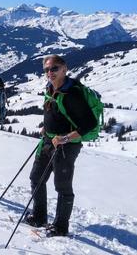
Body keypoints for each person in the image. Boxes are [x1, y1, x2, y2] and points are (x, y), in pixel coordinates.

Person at [24, 54, 96, 237]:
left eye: (54, 68)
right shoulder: (51, 87)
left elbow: (89, 124)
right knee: (36, 177)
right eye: (47, 69)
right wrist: (46, 127)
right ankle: (40, 216)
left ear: (64, 69)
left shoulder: (72, 94)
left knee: (62, 186)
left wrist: (64, 138)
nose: (50, 72)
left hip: (66, 146)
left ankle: (60, 226)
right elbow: (56, 113)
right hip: (48, 141)